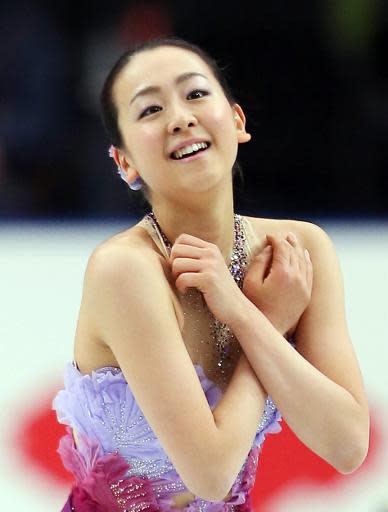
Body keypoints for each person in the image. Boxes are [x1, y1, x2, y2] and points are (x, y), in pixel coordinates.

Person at [52, 37, 370, 511]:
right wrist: (270, 321)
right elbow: (210, 473)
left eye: (196, 94)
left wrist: (242, 314)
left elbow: (346, 446)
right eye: (150, 110)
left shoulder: (299, 251)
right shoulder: (125, 269)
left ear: (237, 120)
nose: (180, 117)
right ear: (125, 162)